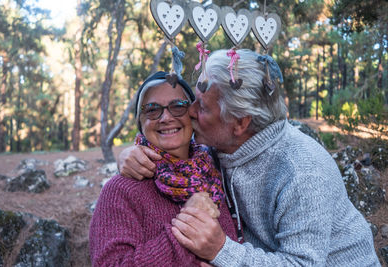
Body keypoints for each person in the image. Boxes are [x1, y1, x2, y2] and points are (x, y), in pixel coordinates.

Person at [117, 50, 380, 266]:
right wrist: (132, 152)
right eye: (192, 100)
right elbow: (170, 139)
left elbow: (303, 264)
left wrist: (221, 250)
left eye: (203, 107)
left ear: (240, 123)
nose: (190, 112)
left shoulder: (302, 172)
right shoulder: (215, 146)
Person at [89, 71, 238, 266]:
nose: (165, 118)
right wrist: (186, 227)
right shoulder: (120, 191)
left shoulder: (217, 171)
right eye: (152, 110)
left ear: (193, 114)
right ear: (141, 123)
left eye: (178, 107)